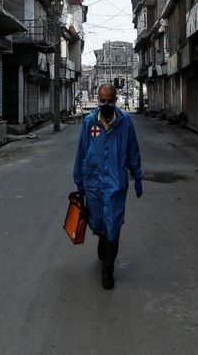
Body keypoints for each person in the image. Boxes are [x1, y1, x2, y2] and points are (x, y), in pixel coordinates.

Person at [72, 84, 144, 289]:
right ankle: (102, 240)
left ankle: (108, 270)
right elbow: (81, 152)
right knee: (98, 222)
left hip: (115, 183)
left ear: (115, 100)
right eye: (102, 100)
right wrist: (79, 183)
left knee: (113, 223)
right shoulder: (89, 123)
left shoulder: (125, 122)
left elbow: (132, 150)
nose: (105, 104)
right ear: (98, 99)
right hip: (93, 183)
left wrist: (137, 175)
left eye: (109, 101)